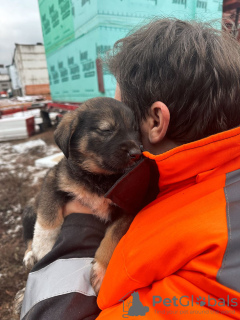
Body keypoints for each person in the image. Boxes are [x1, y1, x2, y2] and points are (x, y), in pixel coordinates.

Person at [20, 18, 240, 319]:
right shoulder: (192, 184)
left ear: (155, 122)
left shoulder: (216, 259)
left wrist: (77, 226)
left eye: (120, 104)